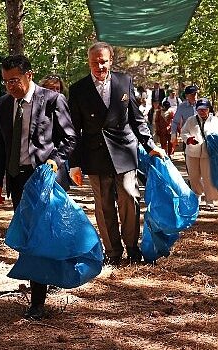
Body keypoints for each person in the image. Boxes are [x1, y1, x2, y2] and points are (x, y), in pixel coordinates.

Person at [0, 55, 76, 320]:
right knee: (29, 235)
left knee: (40, 235)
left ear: (29, 74)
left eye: (14, 80)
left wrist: (54, 162)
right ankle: (43, 281)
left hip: (44, 178)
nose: (10, 87)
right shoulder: (4, 104)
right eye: (5, 82)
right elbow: (1, 145)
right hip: (18, 180)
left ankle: (38, 300)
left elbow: (70, 138)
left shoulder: (51, 100)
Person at [67, 42, 165, 266]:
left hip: (124, 149)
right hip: (95, 154)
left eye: (103, 61)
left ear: (110, 60)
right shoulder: (78, 89)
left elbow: (136, 118)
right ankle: (112, 252)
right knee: (104, 205)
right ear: (88, 62)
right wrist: (74, 164)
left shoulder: (124, 81)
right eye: (94, 62)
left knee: (129, 197)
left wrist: (150, 145)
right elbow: (74, 129)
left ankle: (132, 248)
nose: (99, 66)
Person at [180, 98, 218, 209]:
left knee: (208, 177)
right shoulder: (191, 120)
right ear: (196, 110)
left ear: (208, 109)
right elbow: (183, 132)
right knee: (194, 177)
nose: (202, 112)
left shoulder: (215, 121)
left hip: (208, 154)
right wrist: (188, 139)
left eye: (204, 109)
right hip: (192, 153)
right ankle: (197, 196)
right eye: (200, 109)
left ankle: (209, 200)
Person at [171, 85, 199, 152]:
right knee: (188, 158)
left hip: (201, 134)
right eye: (191, 94)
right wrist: (173, 134)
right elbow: (175, 121)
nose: (194, 96)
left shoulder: (202, 104)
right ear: (187, 96)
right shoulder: (182, 107)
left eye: (195, 94)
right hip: (188, 136)